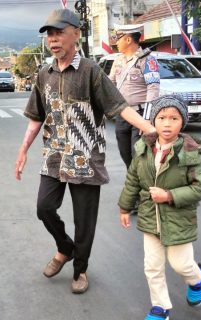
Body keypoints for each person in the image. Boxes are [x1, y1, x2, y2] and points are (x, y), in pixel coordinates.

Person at [14, 8, 155, 294]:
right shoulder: (44, 73)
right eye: (49, 35)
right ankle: (64, 248)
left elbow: (120, 106)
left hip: (87, 159)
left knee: (84, 221)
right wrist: (23, 149)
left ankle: (80, 270)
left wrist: (149, 128)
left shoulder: (90, 71)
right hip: (54, 157)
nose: (53, 40)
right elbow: (36, 117)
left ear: (76, 34)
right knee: (44, 208)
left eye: (59, 33)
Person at [118, 95, 201, 320]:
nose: (167, 123)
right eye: (161, 118)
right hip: (150, 218)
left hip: (179, 219)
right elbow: (133, 179)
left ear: (183, 122)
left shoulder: (189, 152)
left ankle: (198, 277)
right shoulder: (142, 149)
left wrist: (169, 195)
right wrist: (124, 207)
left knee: (181, 265)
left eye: (174, 118)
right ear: (153, 120)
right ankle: (160, 308)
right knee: (152, 267)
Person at [108, 24, 160, 169]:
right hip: (123, 114)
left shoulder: (147, 60)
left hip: (141, 114)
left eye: (118, 38)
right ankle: (134, 180)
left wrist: (147, 118)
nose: (116, 42)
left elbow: (153, 88)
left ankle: (140, 185)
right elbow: (110, 84)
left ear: (128, 39)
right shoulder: (118, 60)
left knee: (138, 153)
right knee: (125, 153)